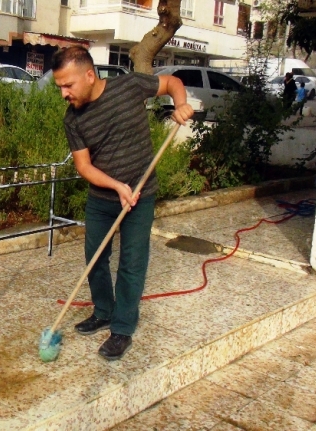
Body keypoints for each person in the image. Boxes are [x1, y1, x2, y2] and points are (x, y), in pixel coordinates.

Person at [52, 46, 193, 361]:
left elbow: (171, 84)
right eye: (59, 86)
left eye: (68, 85)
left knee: (132, 262)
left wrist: (180, 105)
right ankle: (103, 311)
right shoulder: (72, 119)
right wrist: (117, 187)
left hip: (141, 194)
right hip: (103, 198)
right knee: (96, 259)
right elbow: (84, 167)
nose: (63, 93)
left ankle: (122, 328)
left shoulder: (129, 86)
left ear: (89, 75)